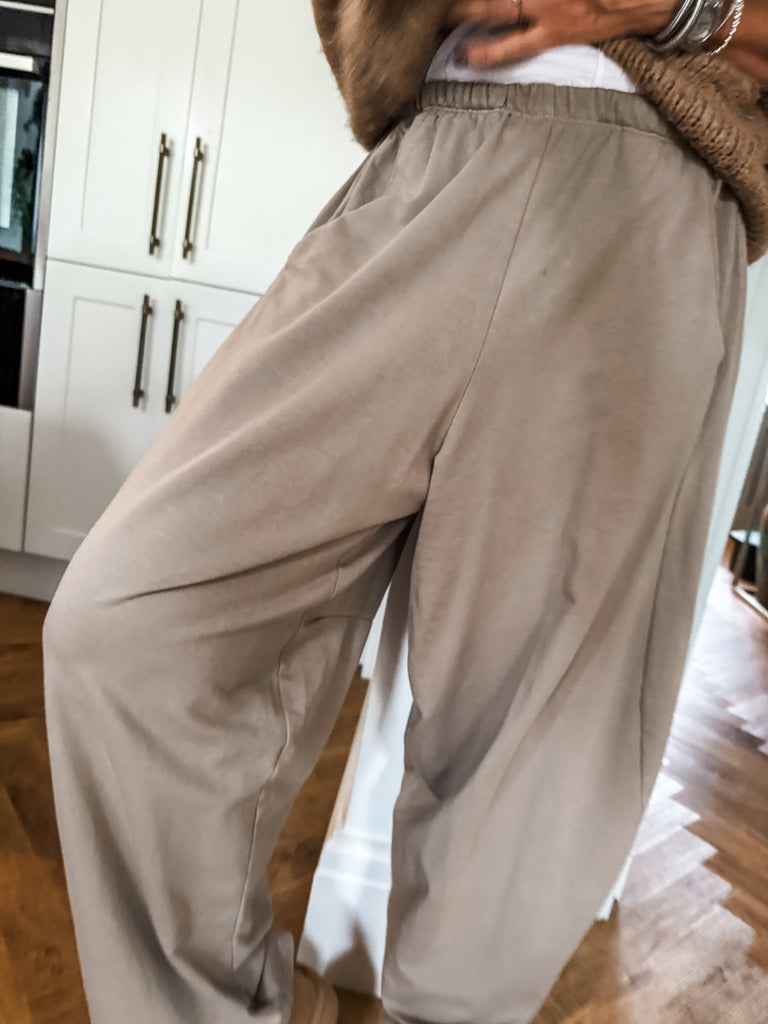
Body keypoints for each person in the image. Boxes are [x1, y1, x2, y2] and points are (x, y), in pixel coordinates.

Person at [41, 0, 768, 1022]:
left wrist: (679, 8)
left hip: (652, 185)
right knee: (126, 626)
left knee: (532, 748)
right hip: (425, 153)